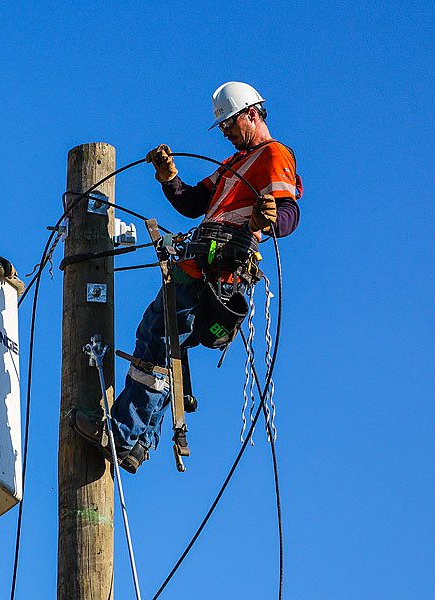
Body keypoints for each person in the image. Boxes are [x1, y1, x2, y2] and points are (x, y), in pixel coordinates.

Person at [70, 82, 301, 473]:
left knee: (157, 335)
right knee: (162, 342)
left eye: (229, 124)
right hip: (202, 267)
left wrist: (270, 219)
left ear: (251, 114)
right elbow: (193, 203)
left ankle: (123, 434)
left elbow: (288, 213)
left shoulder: (273, 154)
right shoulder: (233, 165)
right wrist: (168, 175)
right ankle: (138, 443)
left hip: (215, 272)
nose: (225, 133)